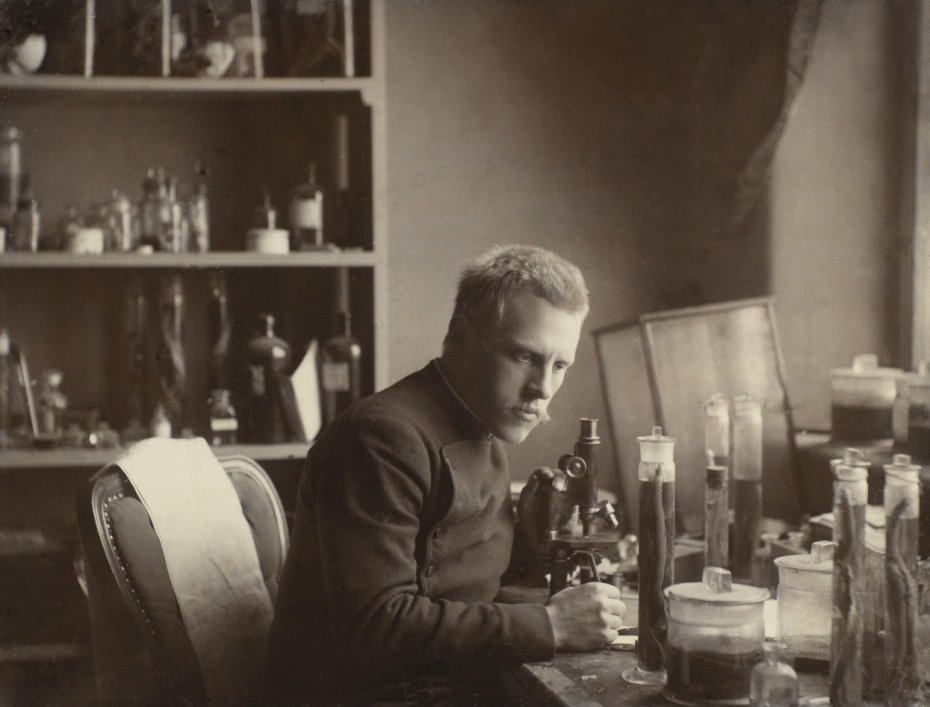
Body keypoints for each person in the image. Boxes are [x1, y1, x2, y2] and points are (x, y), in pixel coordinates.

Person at [261, 245, 626, 706]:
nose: (543, 388)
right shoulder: (380, 437)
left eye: (559, 366)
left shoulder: (484, 423)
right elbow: (375, 627)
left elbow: (467, 585)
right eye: (523, 356)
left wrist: (532, 548)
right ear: (460, 336)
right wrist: (549, 624)